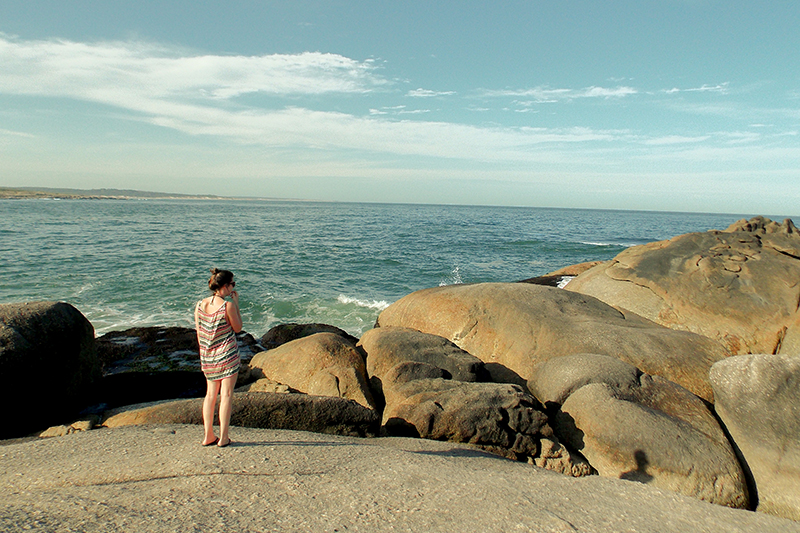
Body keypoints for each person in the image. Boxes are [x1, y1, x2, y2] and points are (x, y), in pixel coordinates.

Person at [194, 268, 243, 447]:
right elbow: (238, 328)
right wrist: (236, 304)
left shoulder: (200, 305)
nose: (233, 288)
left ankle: (208, 435)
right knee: (227, 395)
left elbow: (199, 333)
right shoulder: (227, 305)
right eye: (232, 284)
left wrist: (205, 354)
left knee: (210, 395)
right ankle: (223, 437)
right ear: (225, 286)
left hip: (208, 356)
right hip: (227, 354)